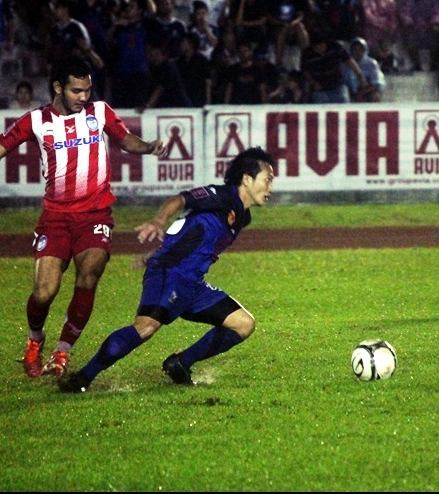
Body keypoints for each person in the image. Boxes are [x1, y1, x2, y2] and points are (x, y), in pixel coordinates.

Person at [0, 55, 167, 377]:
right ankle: (35, 339)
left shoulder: (99, 112)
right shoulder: (37, 121)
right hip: (55, 218)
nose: (84, 97)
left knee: (89, 275)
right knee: (44, 292)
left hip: (95, 214)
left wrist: (149, 147)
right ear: (58, 87)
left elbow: (125, 140)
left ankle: (62, 352)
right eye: (76, 91)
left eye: (87, 90)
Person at [57, 147, 276, 393]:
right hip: (170, 273)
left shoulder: (243, 216)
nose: (270, 188)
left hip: (193, 284)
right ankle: (82, 377)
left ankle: (180, 363)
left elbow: (191, 233)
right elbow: (181, 200)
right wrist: (159, 221)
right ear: (247, 179)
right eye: (267, 180)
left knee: (243, 324)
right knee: (145, 328)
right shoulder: (220, 196)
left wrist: (158, 251)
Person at [345, 37, 385, 102]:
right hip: (350, 93)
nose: (357, 52)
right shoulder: (346, 64)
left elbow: (377, 83)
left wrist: (362, 93)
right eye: (355, 49)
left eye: (360, 49)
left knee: (374, 96)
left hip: (367, 91)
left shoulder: (371, 63)